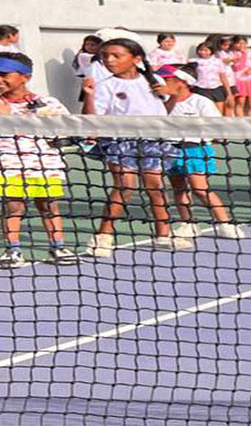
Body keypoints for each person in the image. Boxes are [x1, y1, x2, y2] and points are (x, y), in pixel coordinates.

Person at [87, 38, 191, 257]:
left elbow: (163, 110)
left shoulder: (153, 81)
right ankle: (102, 237)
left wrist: (171, 95)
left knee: (156, 187)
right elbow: (91, 117)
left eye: (116, 55)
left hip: (154, 139)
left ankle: (163, 234)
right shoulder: (106, 85)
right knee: (125, 187)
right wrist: (88, 94)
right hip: (119, 140)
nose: (109, 60)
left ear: (136, 59)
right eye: (105, 56)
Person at [0, 53, 81, 267]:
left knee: (49, 207)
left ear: (25, 77)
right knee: (13, 208)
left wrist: (42, 118)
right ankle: (13, 251)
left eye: (4, 75)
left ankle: (58, 248)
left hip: (45, 166)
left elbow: (63, 135)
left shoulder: (48, 103)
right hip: (9, 166)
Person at [153, 67, 245, 240]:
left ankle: (225, 224)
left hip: (195, 148)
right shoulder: (161, 102)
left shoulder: (201, 102)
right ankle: (188, 224)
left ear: (182, 82)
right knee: (179, 188)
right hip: (169, 149)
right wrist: (171, 97)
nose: (162, 83)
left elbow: (215, 126)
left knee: (200, 188)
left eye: (167, 80)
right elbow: (161, 116)